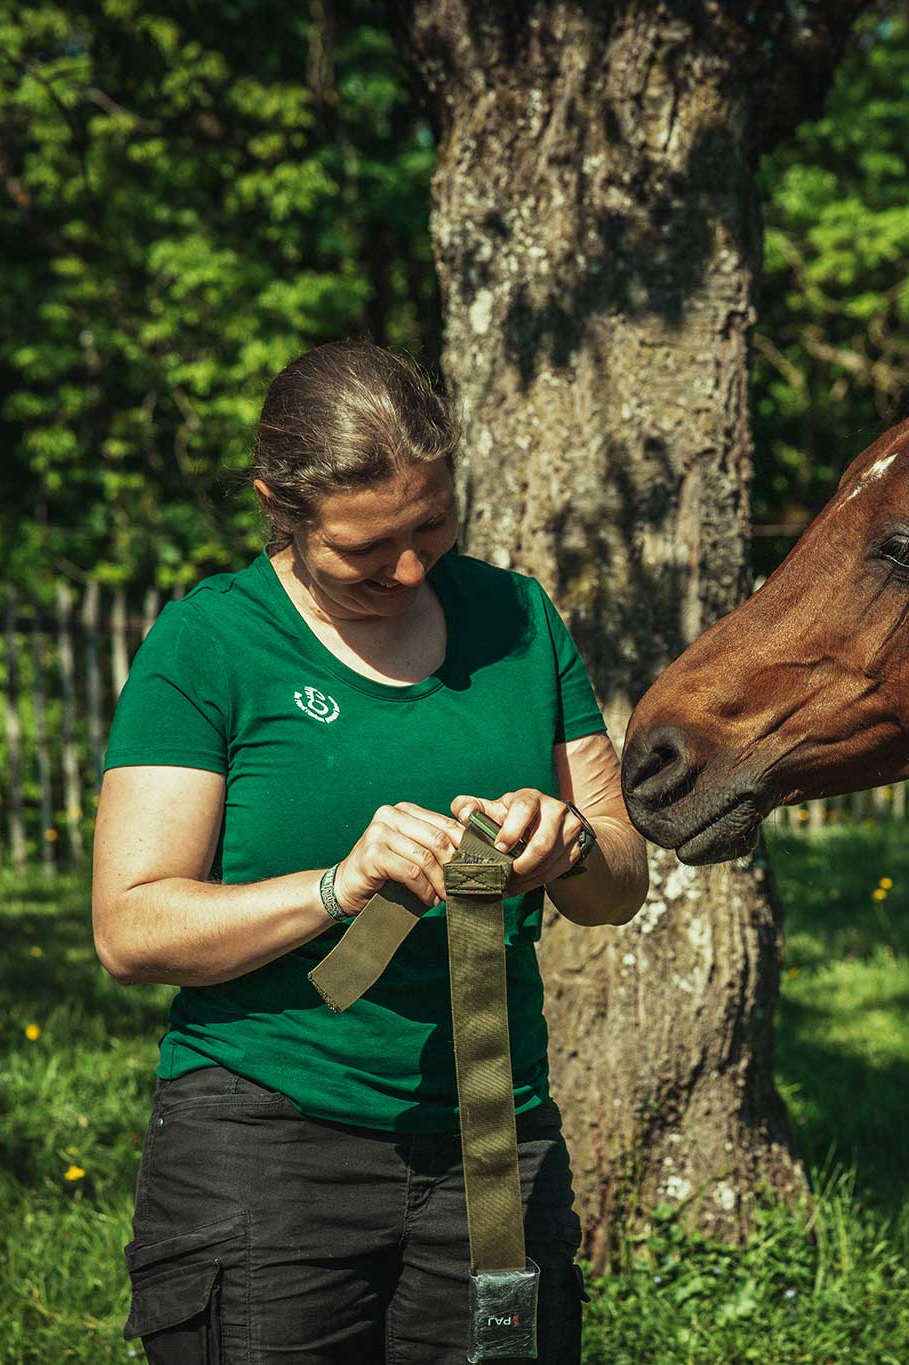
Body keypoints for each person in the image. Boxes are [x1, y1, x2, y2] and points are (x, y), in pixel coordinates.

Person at [91, 340, 648, 1363]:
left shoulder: (518, 620)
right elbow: (131, 930)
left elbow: (617, 884)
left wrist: (567, 843)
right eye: (364, 548)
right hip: (264, 1143)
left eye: (431, 525)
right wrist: (336, 887)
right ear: (278, 505)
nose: (406, 566)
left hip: (494, 1142)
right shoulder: (211, 643)